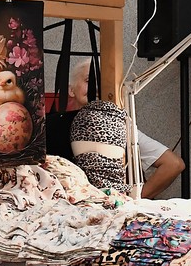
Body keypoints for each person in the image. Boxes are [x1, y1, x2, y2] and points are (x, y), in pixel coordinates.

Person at [68, 59, 184, 199]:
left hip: (110, 203)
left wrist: (135, 199)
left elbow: (173, 164)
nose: (97, 87)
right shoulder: (50, 126)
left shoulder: (120, 126)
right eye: (89, 81)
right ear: (71, 89)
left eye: (103, 82)